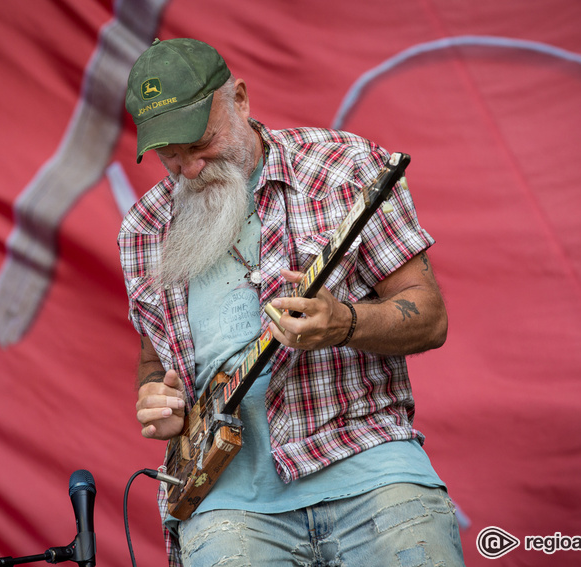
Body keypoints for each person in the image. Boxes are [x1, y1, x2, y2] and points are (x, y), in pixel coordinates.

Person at [118, 37, 464, 567]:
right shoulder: (142, 231)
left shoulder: (345, 169)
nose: (188, 167)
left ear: (239, 100)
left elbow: (430, 317)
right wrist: (154, 396)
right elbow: (154, 355)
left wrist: (344, 323)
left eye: (200, 141)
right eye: (170, 153)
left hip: (367, 460)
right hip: (227, 504)